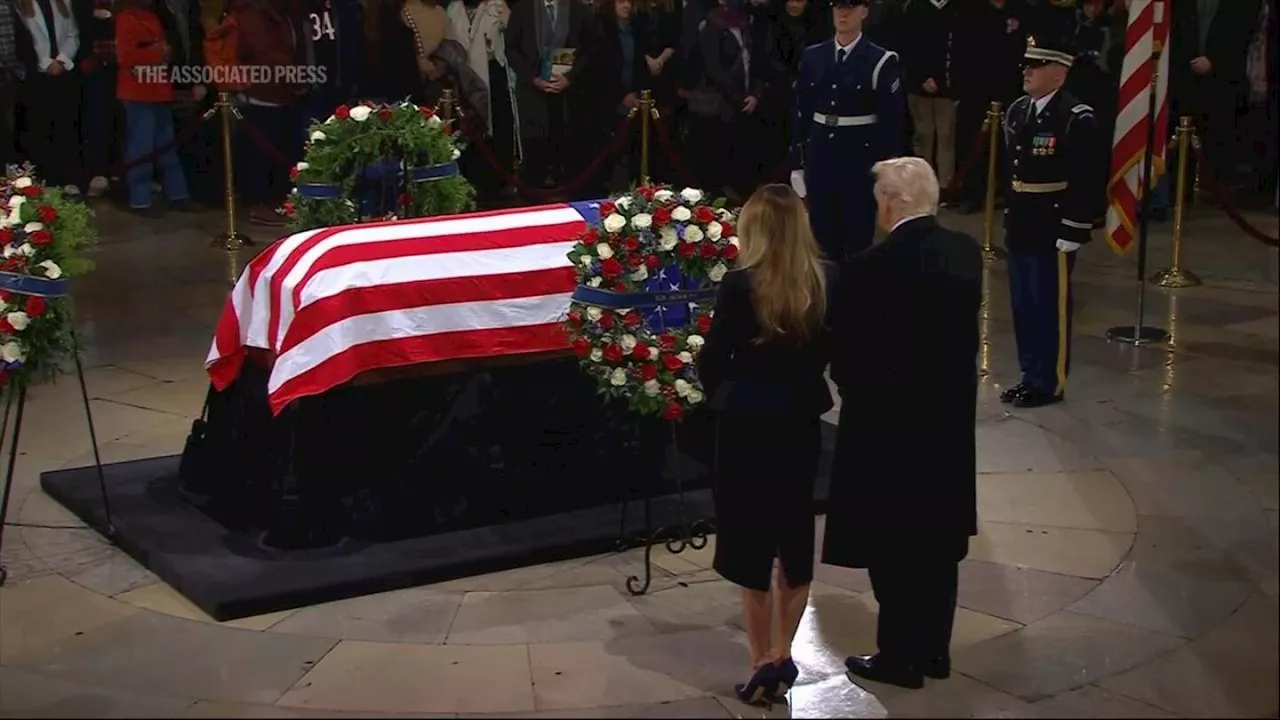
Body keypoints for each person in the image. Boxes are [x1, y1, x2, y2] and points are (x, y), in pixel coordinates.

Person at [823, 157, 982, 691]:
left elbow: (844, 356)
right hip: (948, 427)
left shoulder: (868, 267)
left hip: (887, 430)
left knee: (893, 545)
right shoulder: (966, 254)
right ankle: (934, 650)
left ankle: (899, 656)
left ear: (890, 203)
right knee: (937, 541)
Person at [696, 183, 835, 706]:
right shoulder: (826, 281)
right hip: (800, 421)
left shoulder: (739, 285)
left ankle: (758, 661)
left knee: (747, 539)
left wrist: (725, 395)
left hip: (745, 425)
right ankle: (782, 653)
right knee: (794, 535)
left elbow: (713, 358)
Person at [999, 33, 1101, 408]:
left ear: (1059, 73)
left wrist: (1074, 228)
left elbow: (1087, 178)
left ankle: (1049, 381)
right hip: (1023, 222)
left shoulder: (1075, 118)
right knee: (1024, 304)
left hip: (1053, 225)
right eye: (1027, 64)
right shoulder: (1018, 111)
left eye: (1037, 65)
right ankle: (1030, 375)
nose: (1028, 71)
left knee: (1050, 308)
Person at [789, 0, 905, 262]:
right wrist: (797, 163)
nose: (843, 14)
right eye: (838, 7)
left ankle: (854, 301)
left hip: (859, 167)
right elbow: (800, 112)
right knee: (821, 244)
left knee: (858, 245)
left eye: (850, 7)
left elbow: (891, 124)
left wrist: (886, 173)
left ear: (864, 12)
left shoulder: (880, 61)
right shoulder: (813, 56)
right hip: (821, 162)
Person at [114, 0, 197, 217]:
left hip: (159, 89)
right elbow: (126, 55)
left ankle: (178, 195)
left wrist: (163, 51)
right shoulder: (125, 18)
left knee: (167, 146)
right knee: (141, 147)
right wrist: (157, 51)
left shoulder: (152, 17)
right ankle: (140, 200)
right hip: (137, 91)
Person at [13, 0, 83, 194]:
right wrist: (46, 63)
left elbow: (73, 34)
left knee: (65, 125)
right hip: (36, 76)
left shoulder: (63, 3)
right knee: (40, 128)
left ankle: (66, 178)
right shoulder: (20, 5)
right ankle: (45, 180)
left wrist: (62, 60)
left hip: (63, 72)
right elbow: (25, 42)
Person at [901, 0, 960, 200]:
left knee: (946, 138)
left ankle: (945, 188)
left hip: (948, 88)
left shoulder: (958, 8)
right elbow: (907, 46)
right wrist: (921, 77)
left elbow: (961, 47)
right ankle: (921, 188)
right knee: (923, 136)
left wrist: (943, 81)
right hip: (917, 87)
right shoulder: (915, 7)